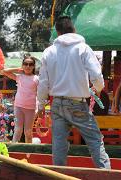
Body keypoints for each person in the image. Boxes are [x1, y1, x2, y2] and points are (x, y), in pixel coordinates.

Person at [37, 16, 111, 168]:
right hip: (77, 103)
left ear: (58, 32)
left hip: (57, 103)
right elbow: (97, 76)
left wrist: (40, 105)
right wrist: (97, 89)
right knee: (95, 141)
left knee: (59, 144)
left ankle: (58, 176)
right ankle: (106, 175)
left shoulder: (49, 52)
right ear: (74, 29)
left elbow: (43, 82)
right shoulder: (83, 48)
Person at [2, 54, 39, 143]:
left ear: (34, 66)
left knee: (28, 132)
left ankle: (29, 153)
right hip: (18, 107)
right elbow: (4, 71)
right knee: (17, 130)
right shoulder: (19, 77)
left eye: (30, 64)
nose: (28, 66)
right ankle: (14, 150)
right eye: (26, 64)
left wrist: (38, 109)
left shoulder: (37, 79)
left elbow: (39, 95)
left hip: (31, 108)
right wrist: (18, 69)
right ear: (22, 65)